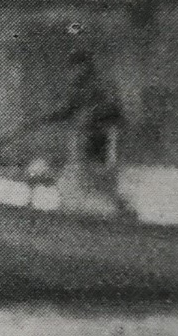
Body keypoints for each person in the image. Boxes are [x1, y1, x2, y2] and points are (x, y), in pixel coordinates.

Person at [39, 49, 130, 216]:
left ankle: (104, 210)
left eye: (74, 69)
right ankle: (84, 207)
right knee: (84, 174)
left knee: (97, 175)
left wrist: (92, 116)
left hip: (100, 138)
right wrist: (48, 117)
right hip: (87, 138)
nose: (71, 74)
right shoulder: (79, 87)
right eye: (71, 70)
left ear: (82, 67)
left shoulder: (101, 85)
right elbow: (67, 108)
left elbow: (114, 110)